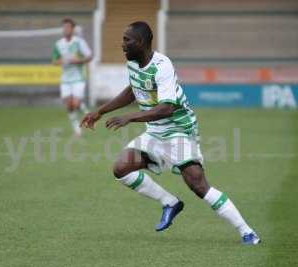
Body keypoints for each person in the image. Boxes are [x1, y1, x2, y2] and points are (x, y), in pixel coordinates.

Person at [80, 21, 260, 245]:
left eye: (127, 40)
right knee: (121, 168)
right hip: (155, 132)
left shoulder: (162, 66)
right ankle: (170, 202)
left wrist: (130, 117)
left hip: (179, 131)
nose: (122, 44)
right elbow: (133, 91)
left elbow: (167, 108)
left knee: (198, 184)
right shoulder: (134, 63)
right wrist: (100, 111)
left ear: (142, 42)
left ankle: (247, 232)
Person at [52, 18, 92, 137]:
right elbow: (54, 61)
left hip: (78, 78)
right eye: (64, 27)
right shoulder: (58, 44)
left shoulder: (79, 42)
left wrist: (78, 60)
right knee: (69, 105)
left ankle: (85, 113)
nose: (66, 29)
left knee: (75, 103)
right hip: (65, 79)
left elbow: (89, 56)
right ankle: (77, 128)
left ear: (73, 29)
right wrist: (61, 61)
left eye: (68, 27)